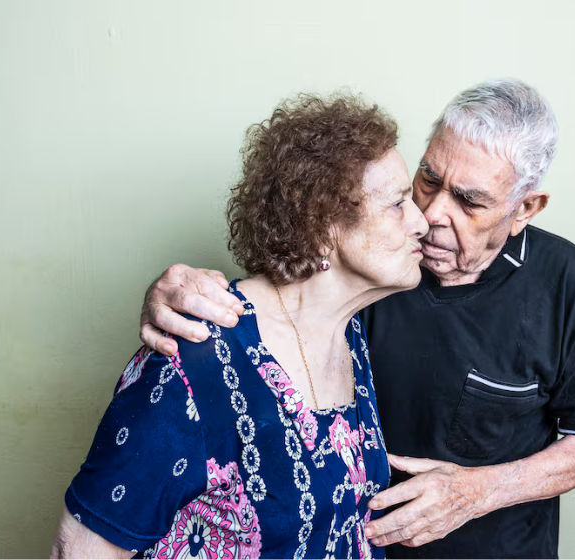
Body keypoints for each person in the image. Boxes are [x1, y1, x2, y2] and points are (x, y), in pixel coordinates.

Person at [138, 79, 575, 559]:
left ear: (525, 207)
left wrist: (477, 492)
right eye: (429, 180)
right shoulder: (375, 258)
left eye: (469, 201)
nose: (432, 213)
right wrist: (180, 293)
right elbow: (278, 303)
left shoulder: (568, 282)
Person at [51, 93, 429, 558]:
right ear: (323, 226)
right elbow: (79, 550)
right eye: (398, 204)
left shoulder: (347, 331)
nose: (422, 223)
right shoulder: (192, 362)